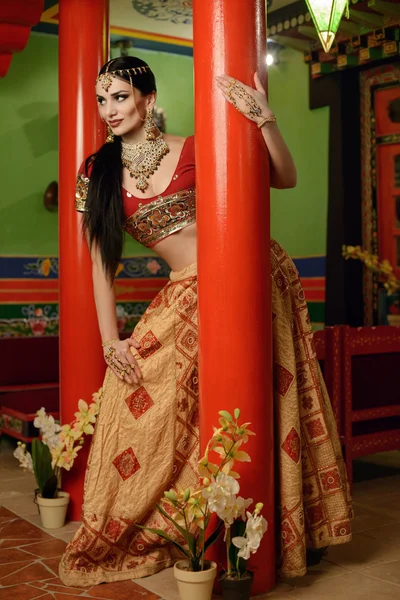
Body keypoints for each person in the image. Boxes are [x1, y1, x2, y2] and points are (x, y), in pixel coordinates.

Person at [59, 56, 352, 587]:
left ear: (148, 98)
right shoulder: (97, 172)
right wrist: (111, 339)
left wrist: (265, 120)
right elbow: (102, 263)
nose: (109, 110)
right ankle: (178, 525)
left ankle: (273, 536)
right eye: (102, 100)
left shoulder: (197, 147)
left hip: (253, 277)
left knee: (267, 395)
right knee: (138, 396)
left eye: (120, 97)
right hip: (184, 291)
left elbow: (284, 178)